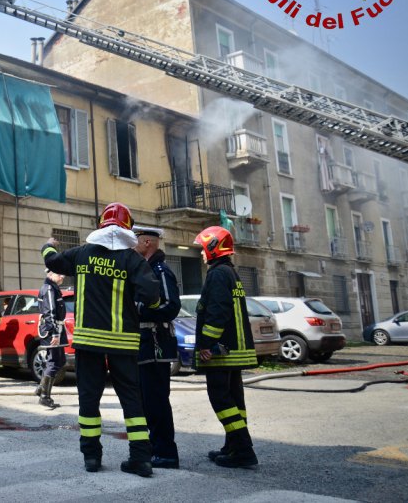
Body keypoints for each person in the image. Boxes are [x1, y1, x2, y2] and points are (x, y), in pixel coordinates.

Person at [42, 202, 161, 477]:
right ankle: (141, 459)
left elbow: (52, 261)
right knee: (131, 399)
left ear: (100, 225)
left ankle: (92, 457)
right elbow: (152, 295)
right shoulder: (131, 259)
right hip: (123, 343)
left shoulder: (82, 253)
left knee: (89, 398)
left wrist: (47, 245)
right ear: (127, 228)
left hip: (89, 342)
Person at [193, 225, 259, 469]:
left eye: (203, 248)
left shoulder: (218, 274)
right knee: (235, 400)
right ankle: (232, 446)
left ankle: (243, 449)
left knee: (220, 399)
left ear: (213, 247)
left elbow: (217, 312)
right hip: (234, 349)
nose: (201, 253)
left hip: (222, 352)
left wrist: (206, 343)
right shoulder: (230, 272)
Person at [132, 225, 182, 469]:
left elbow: (171, 306)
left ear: (147, 242)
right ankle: (156, 447)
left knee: (157, 401)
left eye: (135, 239)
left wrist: (139, 310)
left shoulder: (160, 270)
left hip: (156, 345)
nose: (132, 244)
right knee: (147, 401)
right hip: (144, 347)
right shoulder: (145, 269)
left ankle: (166, 453)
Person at [35, 268, 68, 409]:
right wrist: (55, 333)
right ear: (50, 274)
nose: (62, 276)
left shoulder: (53, 287)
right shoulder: (49, 288)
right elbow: (50, 312)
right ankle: (44, 397)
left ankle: (41, 388)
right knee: (54, 362)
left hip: (57, 328)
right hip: (52, 330)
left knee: (60, 360)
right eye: (59, 273)